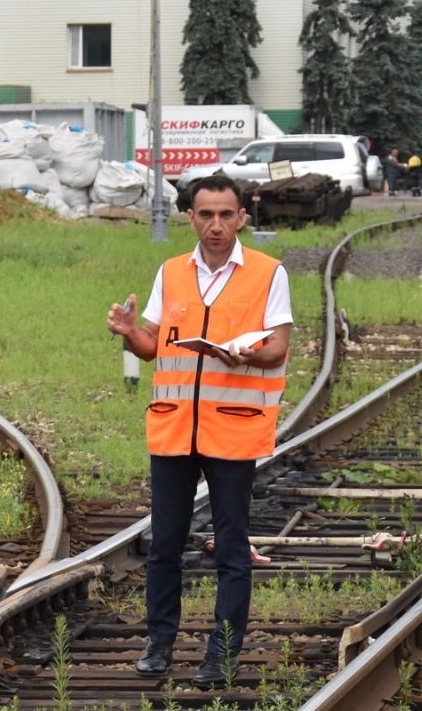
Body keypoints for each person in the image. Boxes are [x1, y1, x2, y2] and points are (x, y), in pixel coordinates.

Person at [106, 174, 292, 689]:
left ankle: (222, 653)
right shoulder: (171, 272)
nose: (216, 224)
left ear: (241, 218)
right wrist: (130, 333)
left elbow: (278, 346)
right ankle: (160, 642)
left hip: (232, 430)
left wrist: (246, 352)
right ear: (190, 217)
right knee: (165, 542)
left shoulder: (267, 272)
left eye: (225, 215)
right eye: (205, 214)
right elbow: (155, 346)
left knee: (232, 546)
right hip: (173, 428)